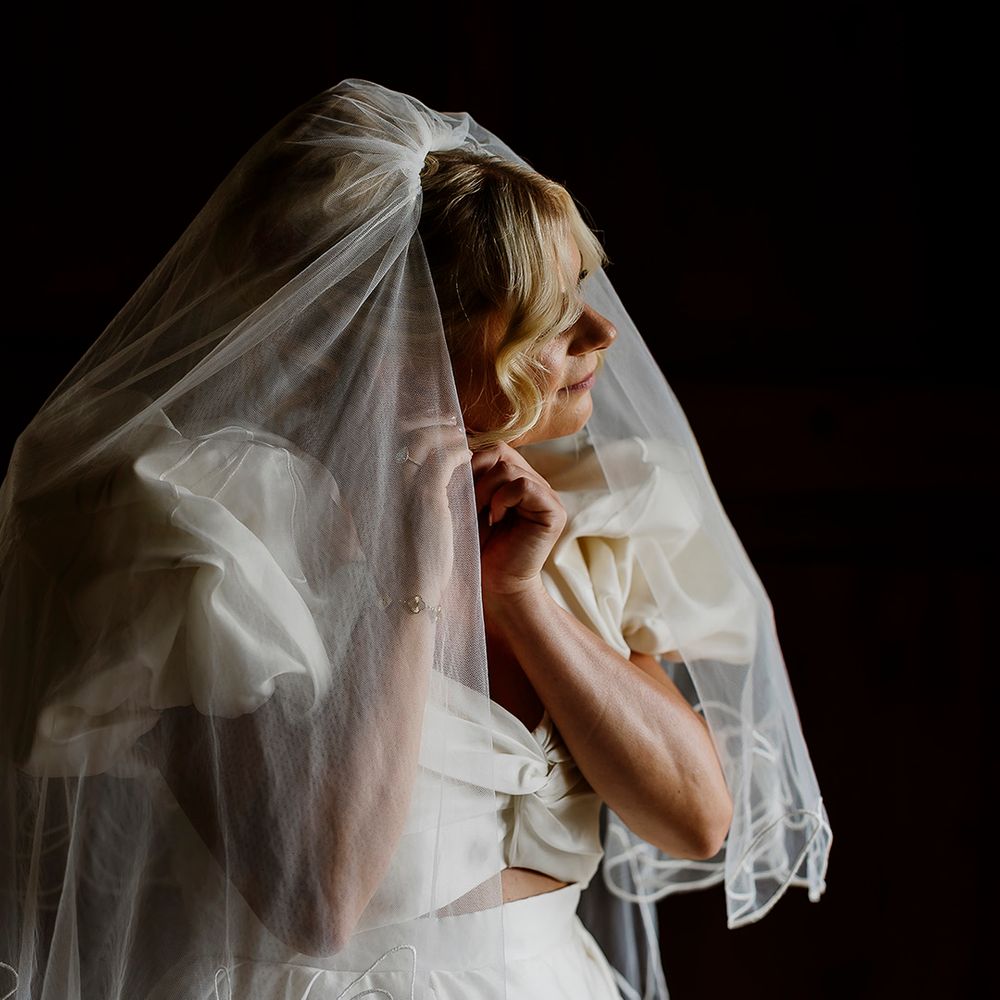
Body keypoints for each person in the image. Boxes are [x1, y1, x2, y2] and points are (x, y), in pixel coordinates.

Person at [0, 80, 831, 1000]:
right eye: (553, 316)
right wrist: (414, 570)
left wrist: (524, 598)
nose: (601, 333)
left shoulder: (571, 521)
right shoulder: (212, 536)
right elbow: (319, 896)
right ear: (408, 333)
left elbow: (696, 820)